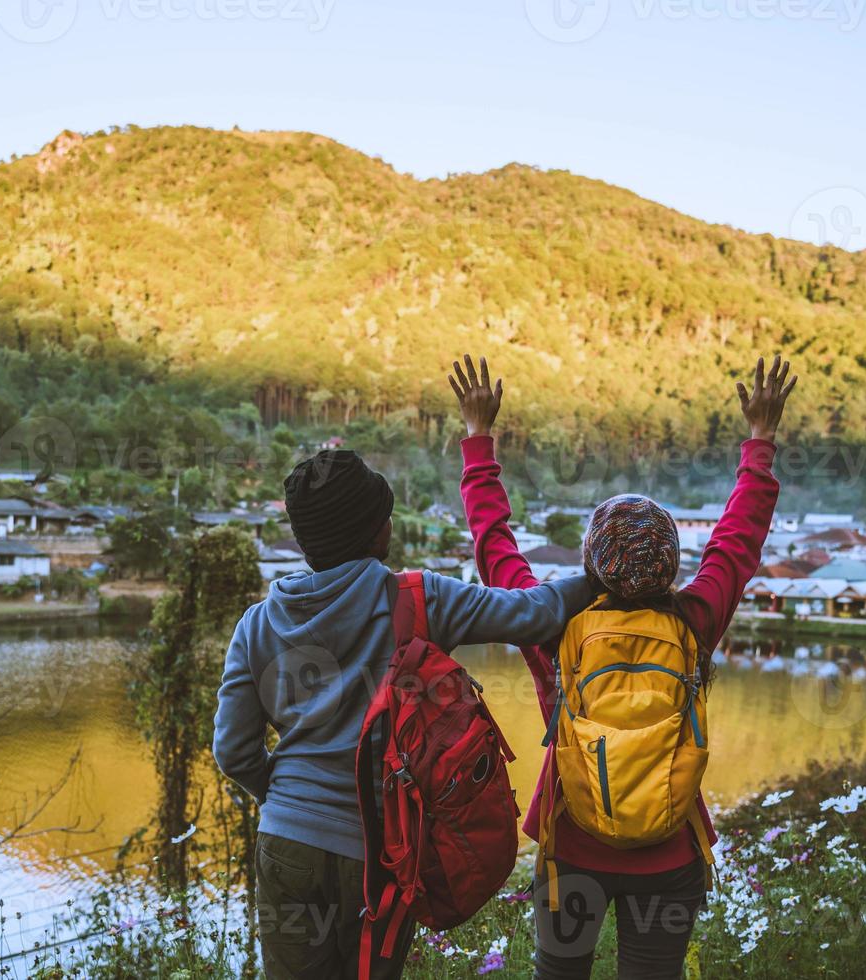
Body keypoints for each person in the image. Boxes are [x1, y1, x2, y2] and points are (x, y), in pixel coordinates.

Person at [448, 352, 795, 980]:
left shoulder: (553, 626)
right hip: (670, 854)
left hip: (571, 846)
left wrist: (479, 441)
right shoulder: (695, 621)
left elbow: (494, 545)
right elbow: (738, 540)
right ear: (671, 562)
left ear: (591, 561)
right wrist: (759, 441)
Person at [212, 448, 599, 980]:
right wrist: (602, 574)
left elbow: (233, 751)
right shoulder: (417, 599)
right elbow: (535, 614)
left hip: (286, 847)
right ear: (374, 531)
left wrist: (285, 798)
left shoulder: (255, 625)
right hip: (381, 852)